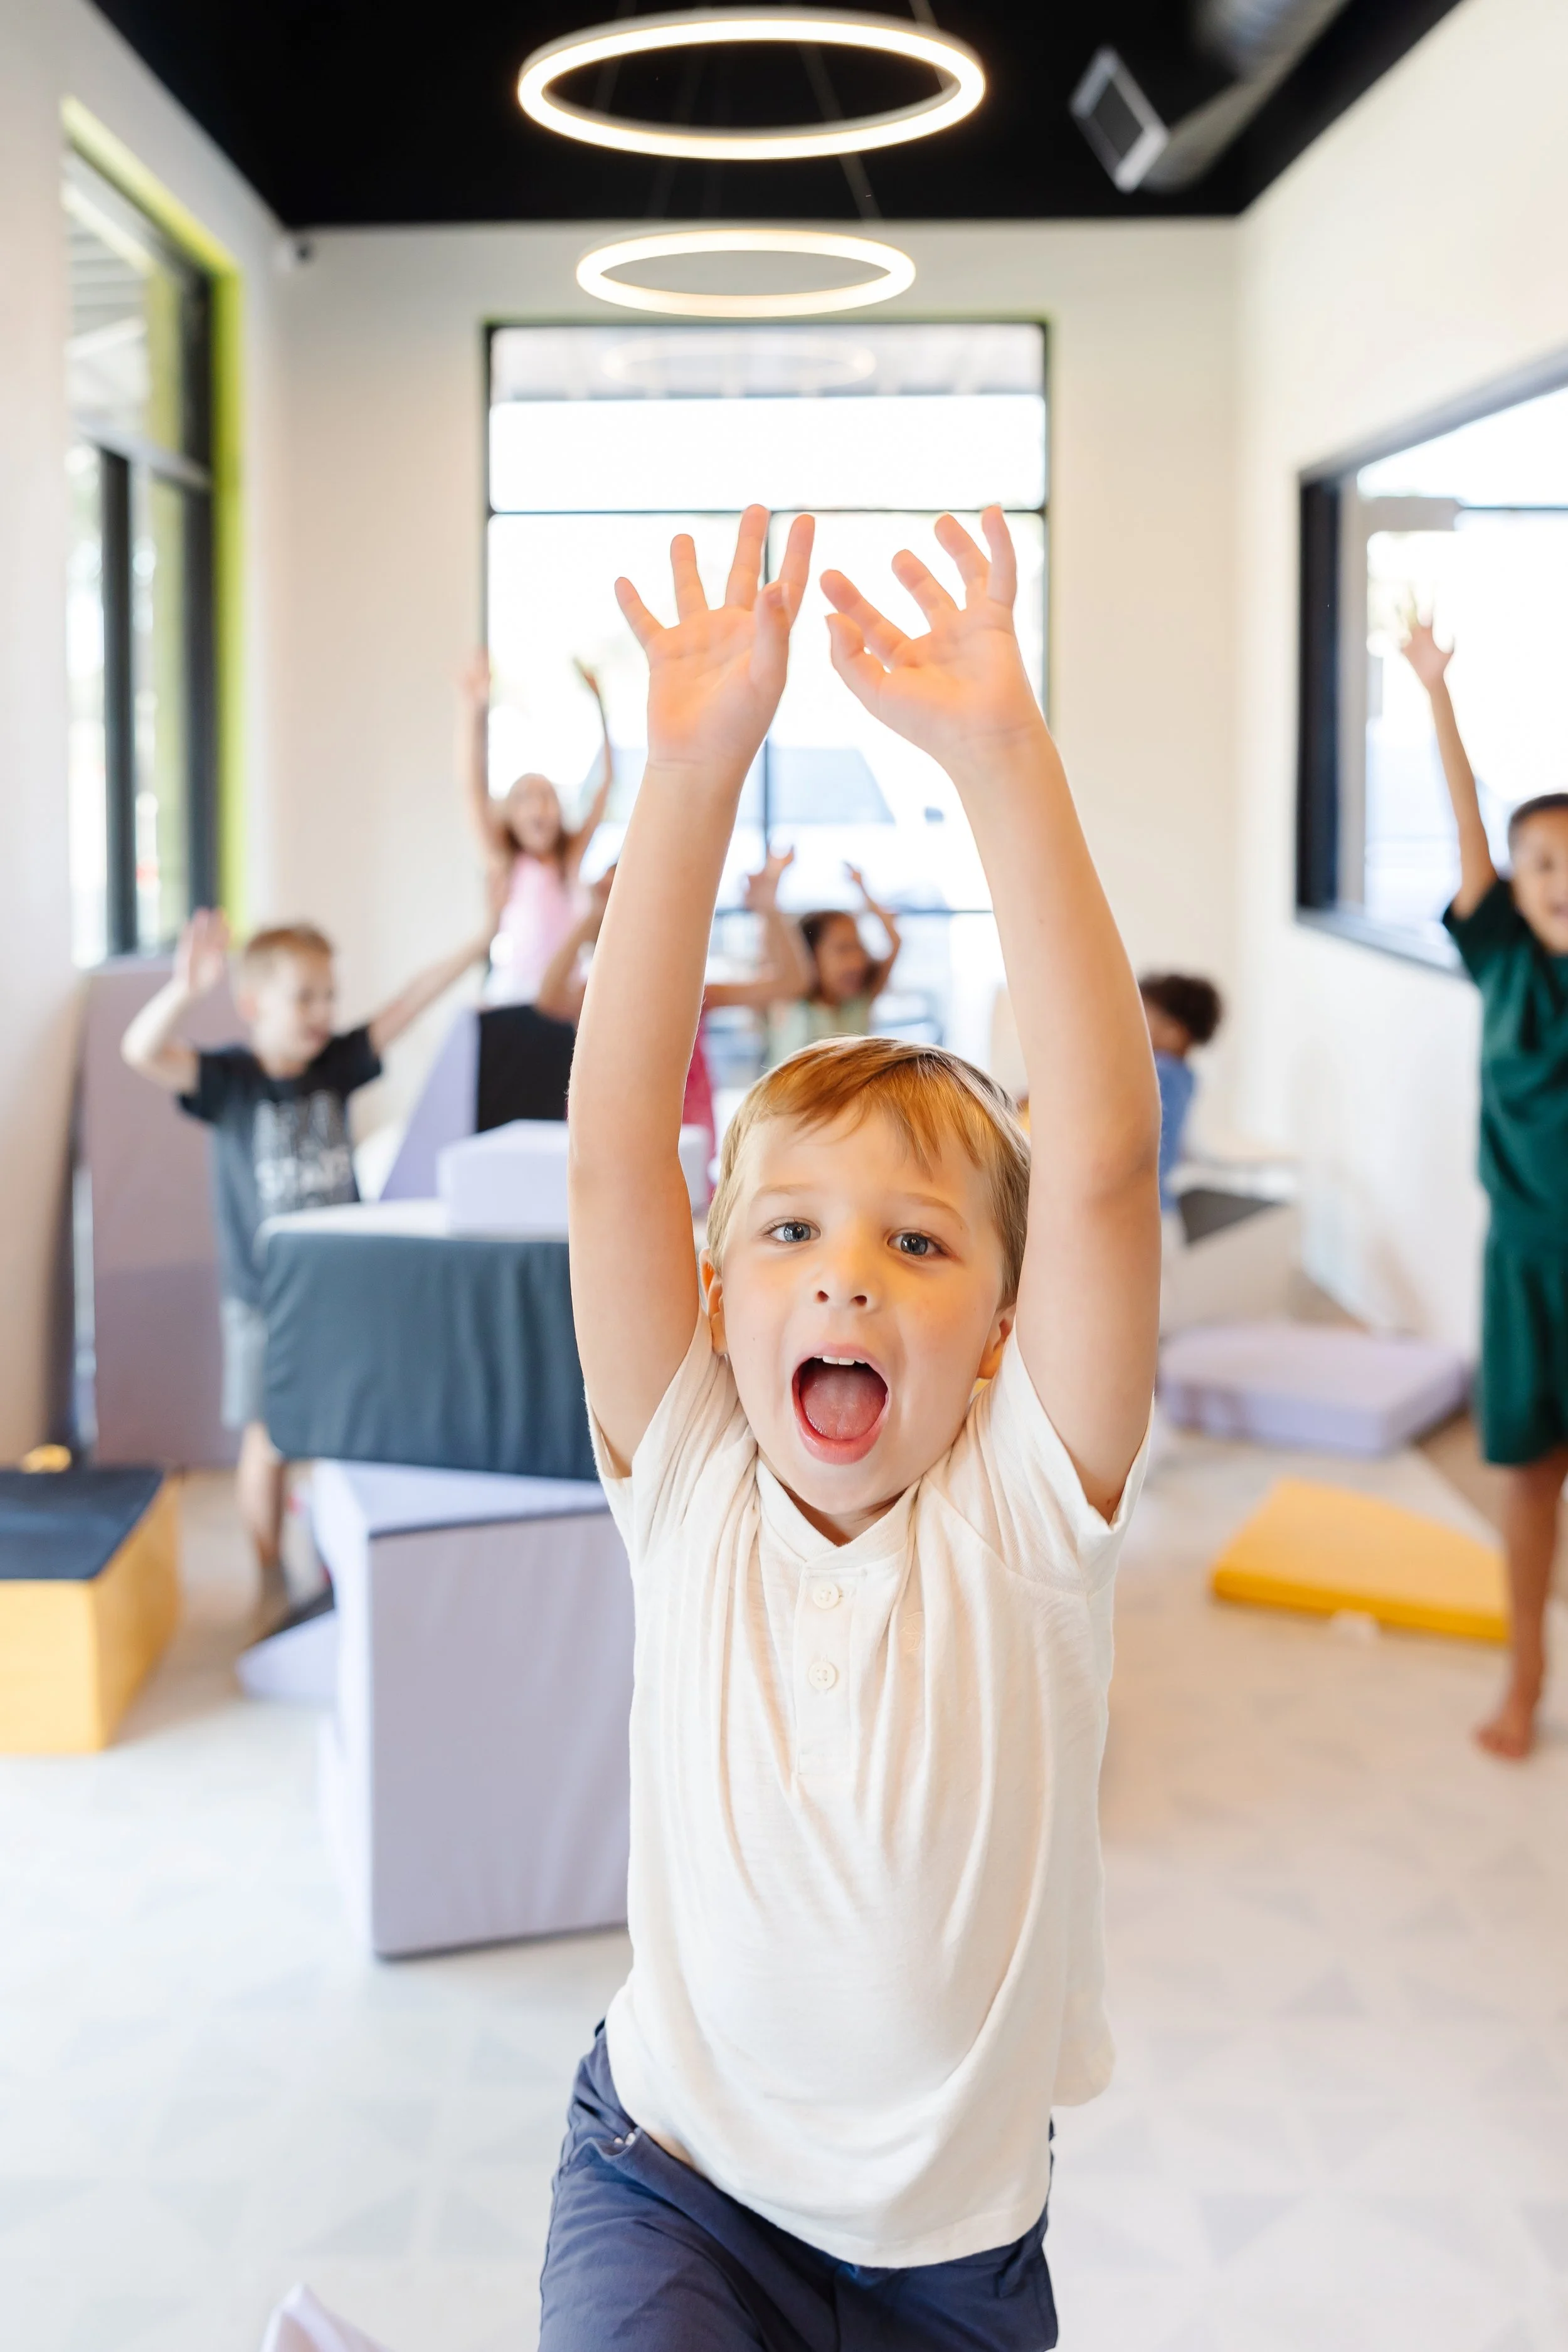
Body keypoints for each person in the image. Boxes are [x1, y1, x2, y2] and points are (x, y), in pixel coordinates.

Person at [547, 504, 1161, 2346]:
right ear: (720, 1290)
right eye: (792, 1233)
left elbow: (1112, 1171)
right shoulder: (691, 1482)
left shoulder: (1025, 1512)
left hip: (951, 2248)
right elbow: (607, 1167)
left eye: (914, 1244)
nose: (845, 1282)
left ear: (997, 1326)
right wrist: (684, 773)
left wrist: (998, 753)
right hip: (668, 2169)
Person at [120, 907, 492, 1611]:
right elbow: (140, 1052)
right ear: (254, 1003)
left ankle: (335, 1560)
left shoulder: (334, 1067)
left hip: (339, 1291)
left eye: (330, 995)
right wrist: (184, 990)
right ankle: (266, 1576)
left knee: (339, 1431)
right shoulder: (229, 1080)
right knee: (269, 1439)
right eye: (305, 996)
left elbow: (410, 1001)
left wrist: (480, 937)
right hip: (263, 1300)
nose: (323, 1011)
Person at [1402, 617, 1568, 1760]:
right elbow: (1467, 822)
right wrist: (1435, 694)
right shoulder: (1503, 951)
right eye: (1544, 862)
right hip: (1523, 1263)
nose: (1562, 880)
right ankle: (1524, 1683)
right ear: (1516, 879)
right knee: (1528, 1480)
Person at [538, 848, 815, 1195]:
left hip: (684, 1155)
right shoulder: (596, 997)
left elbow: (792, 982)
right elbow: (548, 997)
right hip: (613, 1156)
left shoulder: (691, 994)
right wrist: (592, 915)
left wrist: (769, 909)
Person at [458, 652, 612, 1005]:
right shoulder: (507, 862)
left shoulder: (568, 861)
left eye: (547, 796)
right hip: (516, 1001)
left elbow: (605, 785)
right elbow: (472, 788)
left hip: (565, 1000)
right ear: (510, 817)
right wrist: (474, 711)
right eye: (525, 797)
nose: (538, 805)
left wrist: (601, 705)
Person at [766, 861, 903, 1065]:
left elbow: (896, 941)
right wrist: (771, 889)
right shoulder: (792, 999)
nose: (857, 962)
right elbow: (774, 945)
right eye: (843, 949)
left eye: (859, 947)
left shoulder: (860, 1000)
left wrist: (864, 889)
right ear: (810, 956)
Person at [1139, 972, 1224, 1211]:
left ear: (1174, 1032)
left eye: (1144, 1015)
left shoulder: (1160, 1071)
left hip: (1143, 1209)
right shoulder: (1186, 1077)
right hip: (1162, 1208)